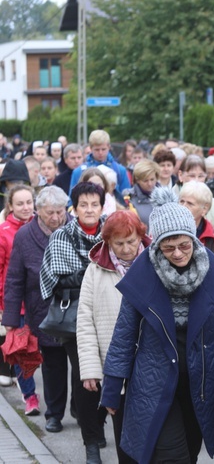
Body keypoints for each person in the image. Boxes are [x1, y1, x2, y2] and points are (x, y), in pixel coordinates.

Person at [100, 189, 214, 463]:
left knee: (190, 452)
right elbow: (124, 334)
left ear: (194, 240)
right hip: (154, 381)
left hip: (200, 383)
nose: (177, 253)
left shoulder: (213, 272)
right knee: (171, 456)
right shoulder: (143, 274)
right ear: (156, 245)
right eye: (168, 247)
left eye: (184, 245)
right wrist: (111, 388)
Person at [40, 182, 108, 463]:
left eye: (95, 204)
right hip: (75, 320)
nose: (89, 210)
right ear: (75, 208)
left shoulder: (113, 232)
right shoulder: (61, 237)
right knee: (86, 378)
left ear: (102, 207)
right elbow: (54, 279)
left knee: (108, 376)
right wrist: (95, 275)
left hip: (109, 315)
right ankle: (91, 442)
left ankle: (98, 421)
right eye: (84, 205)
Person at [77, 211, 149, 464]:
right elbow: (85, 321)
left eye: (131, 241)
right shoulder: (95, 270)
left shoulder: (154, 263)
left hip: (151, 365)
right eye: (119, 244)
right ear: (108, 242)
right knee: (123, 432)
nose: (127, 248)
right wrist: (89, 369)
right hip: (115, 365)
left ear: (141, 235)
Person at [1, 186, 71, 433]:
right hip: (42, 311)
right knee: (52, 364)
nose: (55, 217)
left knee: (82, 364)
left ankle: (82, 410)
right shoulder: (25, 236)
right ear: (38, 211)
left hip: (75, 309)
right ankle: (54, 413)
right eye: (49, 212)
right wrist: (10, 318)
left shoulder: (74, 229)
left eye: (60, 212)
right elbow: (14, 279)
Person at [0, 185, 38, 410]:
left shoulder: (41, 226)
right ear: (11, 206)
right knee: (23, 351)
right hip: (17, 304)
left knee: (44, 353)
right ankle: (30, 396)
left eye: (29, 203)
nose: (25, 208)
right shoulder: (4, 232)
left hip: (41, 303)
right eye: (20, 203)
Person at [174, 154, 214, 232]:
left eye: (201, 176)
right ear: (180, 175)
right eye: (192, 176)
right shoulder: (167, 201)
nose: (196, 180)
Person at [69, 130, 131, 195]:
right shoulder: (79, 171)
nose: (100, 153)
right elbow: (72, 199)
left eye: (103, 149)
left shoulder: (120, 170)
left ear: (109, 147)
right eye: (97, 149)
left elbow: (127, 198)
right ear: (90, 148)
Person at [179, 181, 214, 252]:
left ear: (205, 208)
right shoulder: (167, 232)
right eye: (182, 201)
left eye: (190, 203)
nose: (183, 207)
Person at [123, 159, 160, 228]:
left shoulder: (165, 197)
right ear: (138, 180)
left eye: (152, 179)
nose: (150, 184)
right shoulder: (128, 197)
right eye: (145, 180)